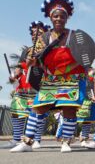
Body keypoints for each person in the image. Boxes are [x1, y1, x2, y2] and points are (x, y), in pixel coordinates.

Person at [11, 0, 90, 153]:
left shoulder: (74, 36)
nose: (59, 18)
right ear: (50, 18)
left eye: (62, 16)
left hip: (71, 78)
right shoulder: (43, 38)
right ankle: (27, 142)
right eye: (55, 16)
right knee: (38, 107)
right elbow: (35, 60)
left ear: (67, 18)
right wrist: (32, 61)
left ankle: (66, 142)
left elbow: (85, 57)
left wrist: (68, 68)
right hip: (50, 79)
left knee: (68, 108)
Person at [3, 21, 49, 149]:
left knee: (39, 114)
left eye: (39, 33)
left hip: (40, 87)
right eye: (33, 33)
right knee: (16, 113)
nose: (35, 35)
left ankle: (37, 139)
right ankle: (16, 139)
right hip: (23, 88)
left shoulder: (49, 50)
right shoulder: (26, 51)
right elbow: (19, 67)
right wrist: (14, 77)